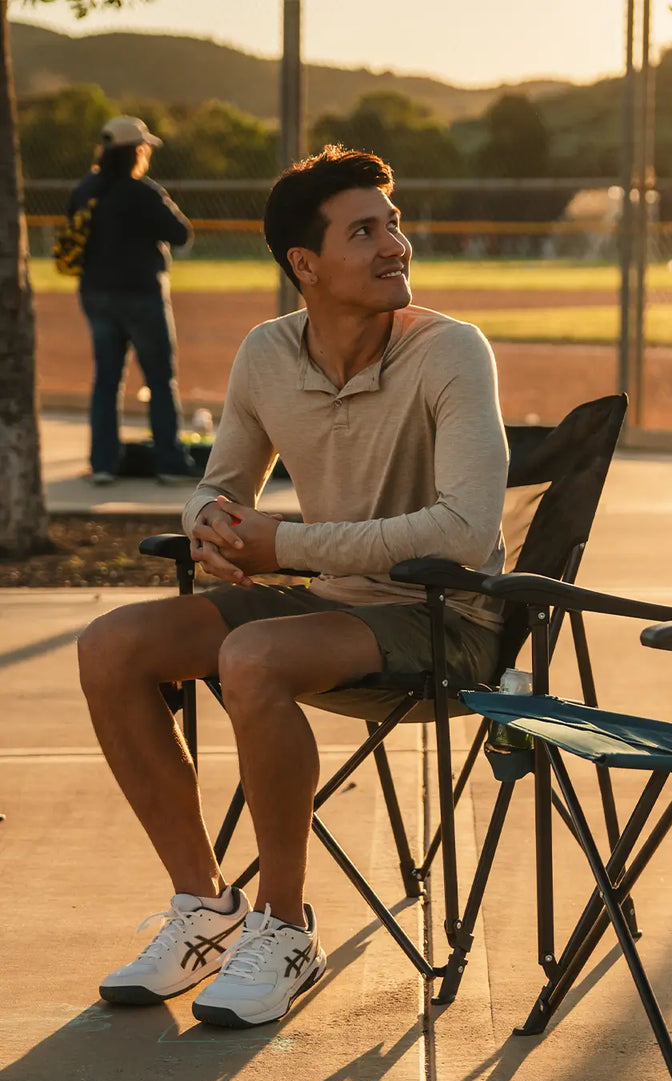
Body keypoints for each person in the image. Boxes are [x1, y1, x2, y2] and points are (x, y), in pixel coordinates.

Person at [76, 145, 508, 1027]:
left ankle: (286, 926)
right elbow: (223, 482)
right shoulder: (267, 353)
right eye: (366, 230)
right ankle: (204, 907)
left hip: (446, 617)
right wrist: (212, 528)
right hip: (335, 604)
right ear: (304, 265)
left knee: (254, 656)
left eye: (393, 223)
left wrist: (291, 546)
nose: (396, 245)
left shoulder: (453, 351)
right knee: (112, 644)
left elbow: (465, 532)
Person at [68, 114, 196, 485]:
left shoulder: (84, 190)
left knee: (106, 380)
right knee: (159, 378)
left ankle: (103, 463)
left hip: (95, 292)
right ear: (138, 151)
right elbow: (181, 233)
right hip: (141, 293)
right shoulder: (143, 191)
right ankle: (170, 463)